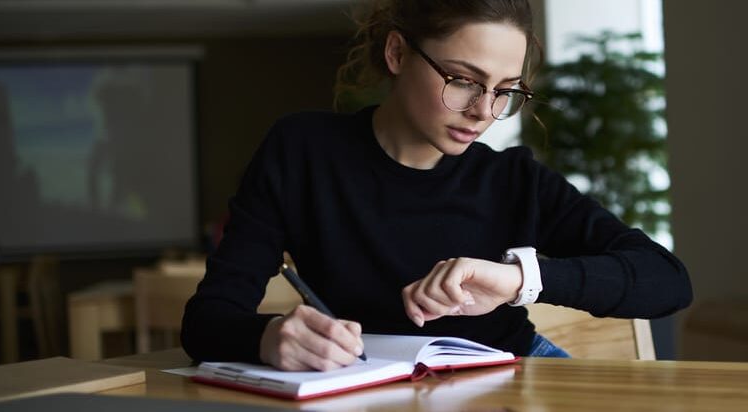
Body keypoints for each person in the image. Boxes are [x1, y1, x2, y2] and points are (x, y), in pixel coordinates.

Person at [181, 0, 692, 372]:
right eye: (463, 79)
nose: (484, 112)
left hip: (515, 374)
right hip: (369, 385)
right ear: (398, 53)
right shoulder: (302, 150)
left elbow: (667, 280)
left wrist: (517, 280)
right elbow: (207, 321)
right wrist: (268, 338)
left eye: (505, 91)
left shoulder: (512, 178)